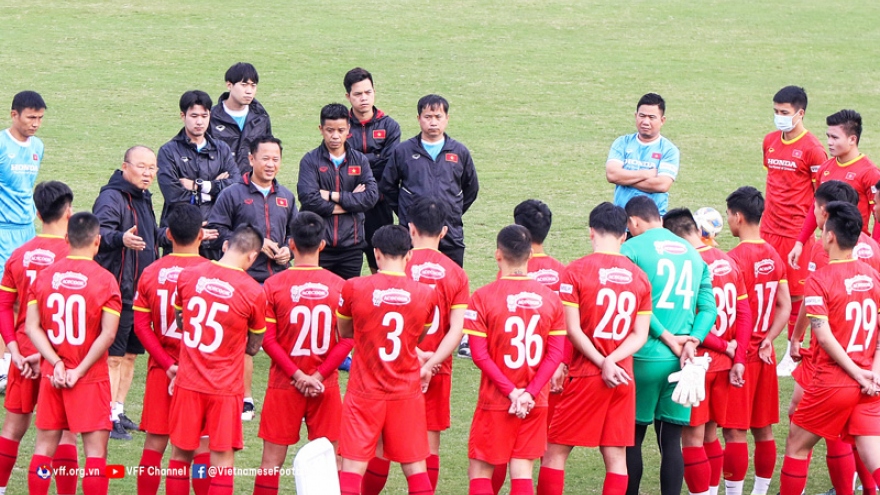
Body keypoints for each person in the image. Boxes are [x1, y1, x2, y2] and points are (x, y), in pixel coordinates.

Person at [536, 202, 651, 495]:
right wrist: (613, 361)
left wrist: (602, 362)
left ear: (591, 232)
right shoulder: (640, 278)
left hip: (586, 375)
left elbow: (572, 330)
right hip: (623, 376)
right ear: (624, 235)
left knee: (554, 452)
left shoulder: (575, 272)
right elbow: (640, 334)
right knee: (615, 459)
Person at [360, 197, 470, 495]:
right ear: (444, 232)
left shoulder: (399, 266)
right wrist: (432, 363)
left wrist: (414, 356)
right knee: (428, 445)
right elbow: (457, 329)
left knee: (381, 444)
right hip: (436, 369)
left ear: (410, 229)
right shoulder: (456, 273)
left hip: (394, 365)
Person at [779, 201, 880, 495]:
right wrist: (873, 372)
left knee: (797, 445)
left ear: (830, 237)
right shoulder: (873, 275)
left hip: (834, 382)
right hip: (869, 385)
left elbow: (823, 337)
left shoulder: (820, 280)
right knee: (872, 453)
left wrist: (858, 375)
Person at [620, 195, 716, 495]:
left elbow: (635, 305)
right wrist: (694, 340)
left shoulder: (631, 249)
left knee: (632, 439)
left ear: (634, 222)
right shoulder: (693, 253)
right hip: (682, 361)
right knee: (671, 442)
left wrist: (666, 337)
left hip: (645, 356)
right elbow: (709, 307)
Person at [164, 224, 267, 495]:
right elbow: (254, 347)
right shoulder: (253, 291)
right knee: (221, 460)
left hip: (189, 381)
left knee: (180, 456)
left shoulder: (189, 276)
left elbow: (181, 321)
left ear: (226, 246)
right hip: (225, 387)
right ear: (253, 256)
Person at [25, 212, 123, 495]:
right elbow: (108, 334)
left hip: (52, 375)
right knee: (95, 455)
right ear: (98, 242)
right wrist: (78, 371)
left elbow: (32, 328)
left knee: (43, 449)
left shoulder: (44, 278)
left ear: (67, 239)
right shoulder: (105, 281)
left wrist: (55, 363)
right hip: (90, 377)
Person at [254, 211, 350, 495]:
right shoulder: (340, 287)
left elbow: (267, 341)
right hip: (325, 385)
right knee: (334, 461)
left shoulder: (272, 286)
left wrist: (297, 375)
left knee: (271, 462)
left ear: (291, 244)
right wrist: (317, 375)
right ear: (322, 245)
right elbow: (347, 341)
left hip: (285, 383)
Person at [335, 225, 437, 495]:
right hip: (406, 392)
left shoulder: (354, 287)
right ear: (409, 256)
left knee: (352, 469)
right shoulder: (426, 294)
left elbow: (345, 332)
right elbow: (416, 337)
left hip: (364, 392)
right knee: (416, 469)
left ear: (376, 254)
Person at [464, 224, 565, 495]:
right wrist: (529, 394)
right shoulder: (551, 299)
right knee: (522, 470)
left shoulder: (482, 297)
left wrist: (511, 392)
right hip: (535, 402)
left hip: (495, 399)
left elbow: (479, 354)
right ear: (530, 255)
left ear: (498, 255)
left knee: (481, 469)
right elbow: (555, 354)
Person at [663, 208, 752, 495]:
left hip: (699, 362)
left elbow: (695, 322)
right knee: (711, 434)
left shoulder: (688, 265)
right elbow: (744, 312)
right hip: (725, 364)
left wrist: (724, 347)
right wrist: (737, 357)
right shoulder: (728, 260)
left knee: (692, 440)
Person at [208, 135, 298, 420]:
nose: (270, 164)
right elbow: (216, 231)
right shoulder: (233, 194)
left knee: (287, 342)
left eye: (275, 159)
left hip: (278, 281)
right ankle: (245, 399)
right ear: (250, 160)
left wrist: (287, 250)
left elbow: (294, 233)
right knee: (245, 343)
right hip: (244, 282)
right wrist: (255, 245)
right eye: (265, 158)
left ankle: (292, 398)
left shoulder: (286, 196)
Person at [0, 182, 80, 495]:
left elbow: (5, 307)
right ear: (69, 212)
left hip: (23, 353)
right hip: (59, 358)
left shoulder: (19, 256)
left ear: (36, 213)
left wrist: (13, 350)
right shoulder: (74, 257)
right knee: (64, 435)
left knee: (12, 428)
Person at [92, 146, 176, 441]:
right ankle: (105, 414)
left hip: (139, 294)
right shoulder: (111, 197)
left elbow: (150, 237)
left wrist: (168, 235)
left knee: (129, 355)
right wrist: (120, 239)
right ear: (125, 166)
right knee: (113, 357)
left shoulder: (144, 198)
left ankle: (117, 408)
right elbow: (97, 236)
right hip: (118, 292)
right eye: (142, 167)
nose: (148, 173)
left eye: (152, 168)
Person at [130, 204, 210, 495]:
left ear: (168, 235)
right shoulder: (211, 275)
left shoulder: (152, 272)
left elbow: (140, 326)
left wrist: (167, 364)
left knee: (155, 444)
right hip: (201, 374)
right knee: (201, 446)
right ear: (201, 235)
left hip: (162, 371)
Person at [722, 186, 791, 495]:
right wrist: (770, 339)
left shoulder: (734, 259)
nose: (727, 221)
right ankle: (760, 491)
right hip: (765, 354)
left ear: (738, 217)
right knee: (763, 430)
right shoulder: (774, 255)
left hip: (741, 355)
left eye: (728, 215)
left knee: (735, 430)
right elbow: (785, 306)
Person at [761, 86, 828, 377]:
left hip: (795, 233)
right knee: (767, 288)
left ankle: (792, 350)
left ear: (800, 113)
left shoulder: (813, 148)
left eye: (784, 113)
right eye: (776, 112)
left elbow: (820, 194)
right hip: (767, 228)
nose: (779, 118)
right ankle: (761, 342)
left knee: (797, 295)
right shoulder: (770, 141)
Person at [380, 94, 480, 268]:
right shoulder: (403, 151)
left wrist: (453, 210)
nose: (433, 122)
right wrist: (406, 211)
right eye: (428, 117)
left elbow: (471, 188)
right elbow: (388, 186)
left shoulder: (459, 152)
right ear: (419, 119)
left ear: (447, 119)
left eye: (438, 117)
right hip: (413, 233)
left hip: (450, 232)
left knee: (451, 282)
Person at [297, 103, 378, 280]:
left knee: (347, 302)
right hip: (319, 246)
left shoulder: (360, 160)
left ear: (348, 129)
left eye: (340, 130)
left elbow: (370, 197)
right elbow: (309, 199)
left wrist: (333, 196)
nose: (335, 136)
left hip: (352, 247)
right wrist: (351, 203)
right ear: (321, 129)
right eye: (329, 130)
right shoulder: (310, 161)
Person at [789, 110, 880, 267]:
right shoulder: (825, 168)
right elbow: (816, 206)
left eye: (835, 137)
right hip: (827, 246)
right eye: (828, 136)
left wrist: (876, 250)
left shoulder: (869, 173)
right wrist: (800, 242)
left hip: (854, 251)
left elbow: (879, 217)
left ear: (852, 139)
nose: (829, 142)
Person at [157, 90, 240, 259]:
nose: (199, 122)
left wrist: (199, 186)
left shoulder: (222, 149)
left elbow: (235, 185)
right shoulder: (168, 151)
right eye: (194, 116)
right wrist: (215, 190)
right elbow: (174, 196)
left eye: (204, 116)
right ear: (183, 116)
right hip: (182, 237)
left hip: (217, 236)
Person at [0, 91, 47, 387]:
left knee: (25, 297)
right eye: (31, 117)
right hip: (2, 230)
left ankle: (14, 359)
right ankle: (4, 365)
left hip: (27, 231)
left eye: (40, 118)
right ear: (14, 115)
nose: (36, 124)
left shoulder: (37, 147)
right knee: (5, 297)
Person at [344, 67, 402, 274]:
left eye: (368, 92)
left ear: (374, 92)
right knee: (348, 265)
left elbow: (389, 163)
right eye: (358, 94)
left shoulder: (390, 126)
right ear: (348, 96)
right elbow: (340, 163)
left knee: (380, 265)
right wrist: (374, 158)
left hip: (379, 203)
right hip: (348, 204)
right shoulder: (341, 125)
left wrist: (356, 160)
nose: (364, 98)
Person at [604, 93, 680, 217]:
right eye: (642, 116)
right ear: (636, 116)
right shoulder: (622, 143)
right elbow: (612, 175)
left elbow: (662, 184)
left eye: (651, 117)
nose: (645, 121)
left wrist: (624, 178)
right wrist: (646, 174)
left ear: (662, 120)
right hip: (622, 221)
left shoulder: (669, 150)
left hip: (653, 222)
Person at [209, 62, 272, 176]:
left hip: (251, 188)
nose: (249, 91)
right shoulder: (210, 118)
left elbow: (269, 154)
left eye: (253, 85)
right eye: (244, 84)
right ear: (229, 85)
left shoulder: (261, 118)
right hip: (220, 188)